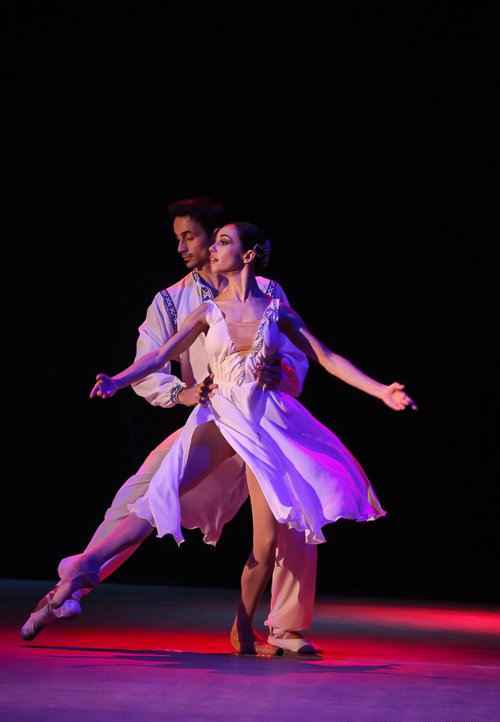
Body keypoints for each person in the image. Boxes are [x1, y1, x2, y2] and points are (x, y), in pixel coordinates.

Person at [46, 221, 417, 655]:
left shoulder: (276, 307)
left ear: (248, 255)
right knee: (159, 494)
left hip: (266, 423)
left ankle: (249, 626)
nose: (212, 248)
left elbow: (326, 357)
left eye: (223, 242)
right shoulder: (204, 310)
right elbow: (160, 354)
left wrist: (381, 390)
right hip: (221, 416)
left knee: (270, 538)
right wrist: (117, 380)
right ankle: (84, 568)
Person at [21, 198, 319, 655]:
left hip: (265, 422)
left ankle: (285, 627)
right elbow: (153, 360)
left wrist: (285, 372)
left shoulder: (268, 290)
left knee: (295, 515)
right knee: (143, 496)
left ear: (219, 239)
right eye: (178, 238)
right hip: (214, 421)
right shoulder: (172, 301)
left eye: (190, 237)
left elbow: (298, 352)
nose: (182, 247)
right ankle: (75, 581)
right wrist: (180, 392)